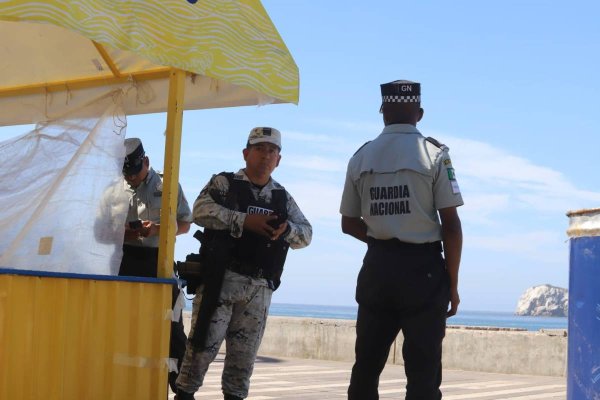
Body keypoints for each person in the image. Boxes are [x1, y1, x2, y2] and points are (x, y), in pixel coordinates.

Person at [340, 80, 463, 400]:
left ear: (383, 113)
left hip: (377, 267)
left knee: (366, 367)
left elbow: (349, 223)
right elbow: (451, 226)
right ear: (419, 114)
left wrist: (382, 240)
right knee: (423, 374)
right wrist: (452, 284)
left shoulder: (361, 157)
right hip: (422, 271)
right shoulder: (435, 155)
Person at [175, 127, 312, 400]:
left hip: (258, 290)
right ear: (246, 153)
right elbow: (199, 212)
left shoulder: (281, 197)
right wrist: (243, 220)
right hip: (220, 283)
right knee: (199, 355)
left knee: (241, 367)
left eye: (272, 151)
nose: (266, 155)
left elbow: (305, 234)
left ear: (279, 160)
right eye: (260, 148)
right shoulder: (225, 184)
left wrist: (284, 230)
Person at [120, 137, 193, 393]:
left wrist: (159, 231)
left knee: (172, 330)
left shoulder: (168, 185)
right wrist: (127, 234)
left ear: (146, 162)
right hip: (125, 263)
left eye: (135, 172)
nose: (131, 179)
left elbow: (185, 223)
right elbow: (99, 232)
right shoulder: (114, 188)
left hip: (158, 262)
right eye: (126, 174)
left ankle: (182, 391)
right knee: (127, 330)